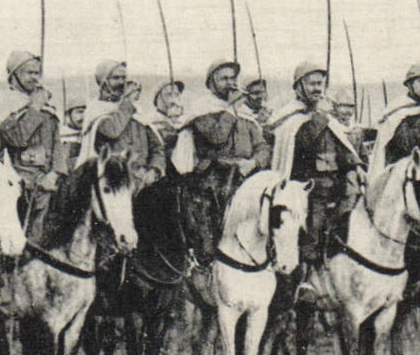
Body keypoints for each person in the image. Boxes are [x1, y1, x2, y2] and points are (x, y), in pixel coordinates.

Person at [270, 61, 362, 265]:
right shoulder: (292, 116)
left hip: (334, 183)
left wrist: (354, 166)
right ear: (299, 86)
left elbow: (341, 147)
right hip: (306, 184)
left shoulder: (324, 116)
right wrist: (321, 116)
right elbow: (304, 143)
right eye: (312, 83)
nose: (317, 88)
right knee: (313, 227)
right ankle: (305, 275)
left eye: (320, 84)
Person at [0, 50, 64, 216]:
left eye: (37, 73)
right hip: (16, 182)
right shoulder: (4, 102)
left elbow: (56, 142)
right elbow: (16, 138)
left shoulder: (44, 104)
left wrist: (55, 173)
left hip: (47, 181)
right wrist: (34, 108)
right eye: (29, 73)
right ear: (14, 75)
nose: (35, 78)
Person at [172, 59, 268, 195]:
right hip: (213, 178)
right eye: (224, 79)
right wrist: (231, 109)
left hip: (246, 173)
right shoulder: (202, 109)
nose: (230, 83)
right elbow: (217, 137)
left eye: (233, 78)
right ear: (212, 83)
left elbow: (262, 146)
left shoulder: (243, 112)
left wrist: (254, 162)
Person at [76, 60, 166, 187]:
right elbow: (112, 131)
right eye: (116, 78)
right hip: (114, 183)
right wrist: (127, 104)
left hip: (145, 181)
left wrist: (154, 169)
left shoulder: (136, 111)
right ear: (104, 82)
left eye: (124, 78)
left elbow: (157, 146)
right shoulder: (96, 109)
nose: (121, 82)